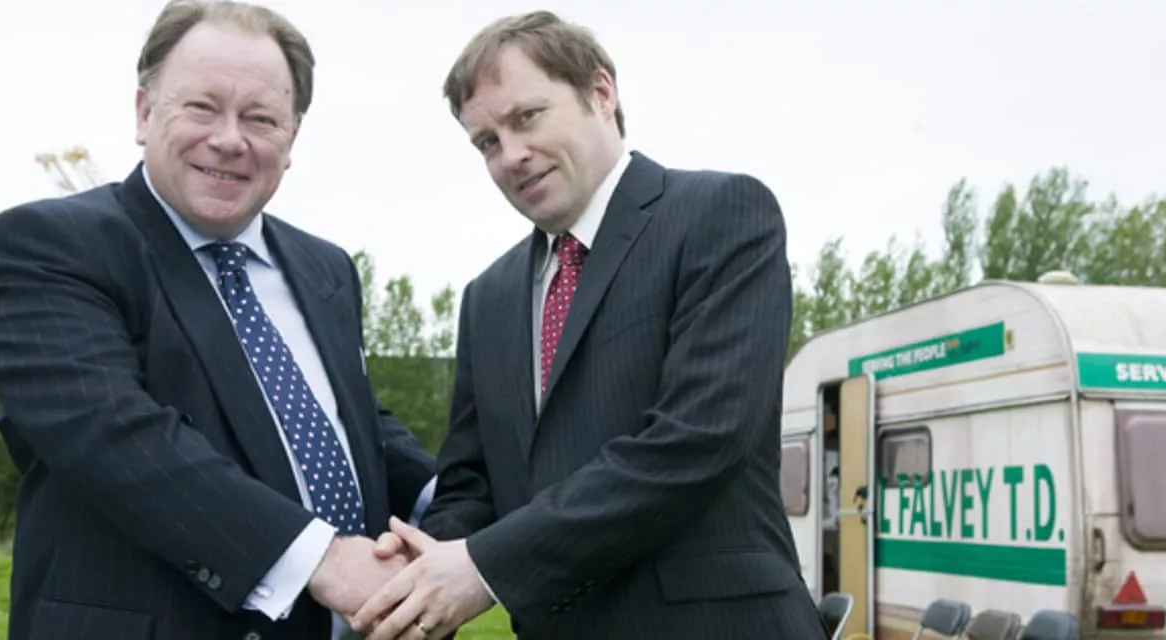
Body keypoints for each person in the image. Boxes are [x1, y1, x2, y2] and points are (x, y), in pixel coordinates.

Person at [350, 10, 824, 640]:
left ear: (601, 93)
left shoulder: (721, 215)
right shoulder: (487, 297)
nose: (511, 156)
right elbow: (471, 483)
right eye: (487, 142)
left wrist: (485, 567)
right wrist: (416, 567)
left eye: (527, 117)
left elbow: (699, 439)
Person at [0, 1, 435, 638]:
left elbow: (345, 420)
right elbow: (116, 437)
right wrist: (321, 558)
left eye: (260, 117)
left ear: (293, 138)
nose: (229, 139)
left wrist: (451, 505)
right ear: (143, 112)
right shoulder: (48, 247)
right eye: (202, 107)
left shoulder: (326, 267)